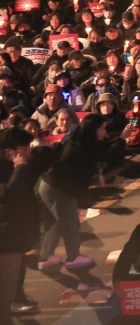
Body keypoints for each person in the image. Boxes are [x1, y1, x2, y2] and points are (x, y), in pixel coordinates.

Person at [37, 114, 110, 270]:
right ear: (93, 130)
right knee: (70, 223)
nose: (105, 131)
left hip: (49, 186)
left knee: (54, 223)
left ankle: (46, 256)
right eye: (102, 128)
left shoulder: (79, 142)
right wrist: (122, 138)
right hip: (58, 189)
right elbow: (106, 152)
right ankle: (73, 257)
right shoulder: (82, 147)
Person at [0, 127, 52, 325]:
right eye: (25, 148)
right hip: (7, 241)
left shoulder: (17, 166)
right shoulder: (11, 169)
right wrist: (19, 168)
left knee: (9, 291)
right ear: (10, 151)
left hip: (15, 238)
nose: (28, 152)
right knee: (5, 295)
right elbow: (9, 196)